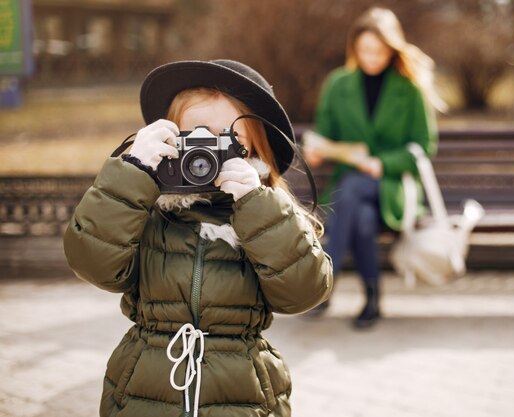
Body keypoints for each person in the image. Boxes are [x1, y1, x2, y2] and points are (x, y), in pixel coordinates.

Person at [63, 59, 333, 417]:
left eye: (226, 139)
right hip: (144, 391)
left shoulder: (271, 215)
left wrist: (260, 208)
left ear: (254, 149)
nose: (205, 154)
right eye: (195, 135)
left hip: (242, 397)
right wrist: (131, 176)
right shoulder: (148, 212)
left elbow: (304, 293)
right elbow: (92, 263)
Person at [305, 7, 445, 328]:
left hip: (394, 187)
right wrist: (318, 151)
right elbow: (326, 134)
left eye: (378, 51)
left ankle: (326, 281)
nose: (371, 58)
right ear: (354, 48)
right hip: (353, 193)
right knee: (363, 218)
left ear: (392, 48)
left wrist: (382, 164)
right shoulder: (338, 84)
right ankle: (372, 300)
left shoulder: (408, 88)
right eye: (364, 50)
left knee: (353, 187)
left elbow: (423, 146)